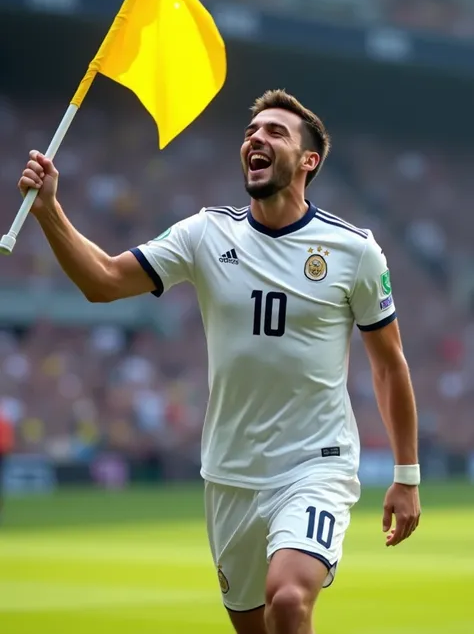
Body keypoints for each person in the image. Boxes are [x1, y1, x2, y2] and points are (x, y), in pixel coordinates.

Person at [18, 90, 421, 634]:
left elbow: (390, 363)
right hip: (230, 474)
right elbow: (104, 281)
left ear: (309, 160)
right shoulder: (206, 233)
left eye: (276, 132)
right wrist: (49, 211)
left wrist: (407, 475)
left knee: (288, 601)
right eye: (252, 131)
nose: (256, 138)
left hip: (314, 464)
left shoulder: (355, 251)